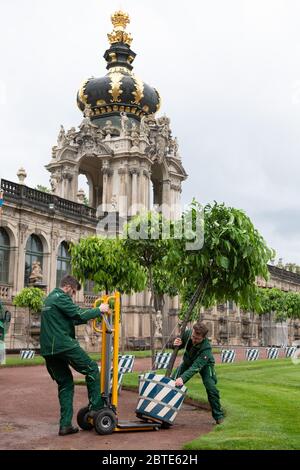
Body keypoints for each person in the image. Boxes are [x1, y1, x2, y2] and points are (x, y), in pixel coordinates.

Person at [40, 275, 109, 436]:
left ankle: (65, 425)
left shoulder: (49, 299)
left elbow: (72, 319)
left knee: (65, 383)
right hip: (63, 344)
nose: (73, 296)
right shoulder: (62, 297)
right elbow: (77, 314)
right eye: (73, 293)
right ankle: (96, 408)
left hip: (48, 349)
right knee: (91, 368)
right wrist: (99, 310)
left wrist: (92, 314)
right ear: (69, 288)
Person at [173, 322, 224, 425]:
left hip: (205, 365)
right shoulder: (188, 334)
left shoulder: (206, 349)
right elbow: (178, 345)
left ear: (204, 338)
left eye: (197, 339)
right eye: (193, 337)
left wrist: (182, 379)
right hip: (188, 360)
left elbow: (195, 368)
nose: (194, 340)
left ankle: (218, 416)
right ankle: (165, 409)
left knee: (211, 387)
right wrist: (175, 343)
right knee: (172, 380)